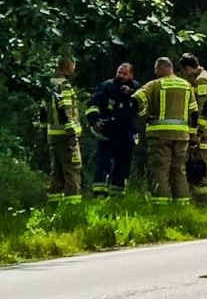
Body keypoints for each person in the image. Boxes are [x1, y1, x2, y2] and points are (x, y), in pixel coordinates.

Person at [133, 56, 197, 202]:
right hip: (182, 136)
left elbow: (136, 99)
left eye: (156, 69)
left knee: (160, 169)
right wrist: (192, 135)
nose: (155, 73)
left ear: (162, 68)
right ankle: (181, 204)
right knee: (179, 170)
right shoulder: (186, 85)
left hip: (159, 135)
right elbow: (193, 112)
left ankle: (160, 204)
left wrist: (145, 116)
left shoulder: (154, 85)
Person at [86, 62, 140, 195]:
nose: (120, 76)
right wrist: (94, 120)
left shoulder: (137, 88)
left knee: (123, 166)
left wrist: (131, 93)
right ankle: (99, 194)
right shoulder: (107, 87)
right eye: (119, 72)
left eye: (124, 73)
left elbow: (142, 104)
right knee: (103, 163)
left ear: (131, 75)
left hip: (126, 134)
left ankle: (117, 195)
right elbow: (93, 104)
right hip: (108, 132)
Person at [42, 57, 84, 202]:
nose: (74, 69)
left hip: (52, 135)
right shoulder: (64, 86)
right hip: (66, 137)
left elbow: (42, 111)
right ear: (68, 67)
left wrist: (44, 130)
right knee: (72, 170)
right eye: (73, 66)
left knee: (56, 172)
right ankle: (73, 206)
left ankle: (53, 204)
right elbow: (65, 110)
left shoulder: (48, 86)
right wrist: (71, 134)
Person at [179, 53, 207, 203]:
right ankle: (199, 198)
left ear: (189, 68)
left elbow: (204, 109)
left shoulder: (202, 81)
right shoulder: (202, 77)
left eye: (184, 71)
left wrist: (198, 132)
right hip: (205, 130)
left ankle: (205, 200)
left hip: (205, 131)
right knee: (200, 162)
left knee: (204, 163)